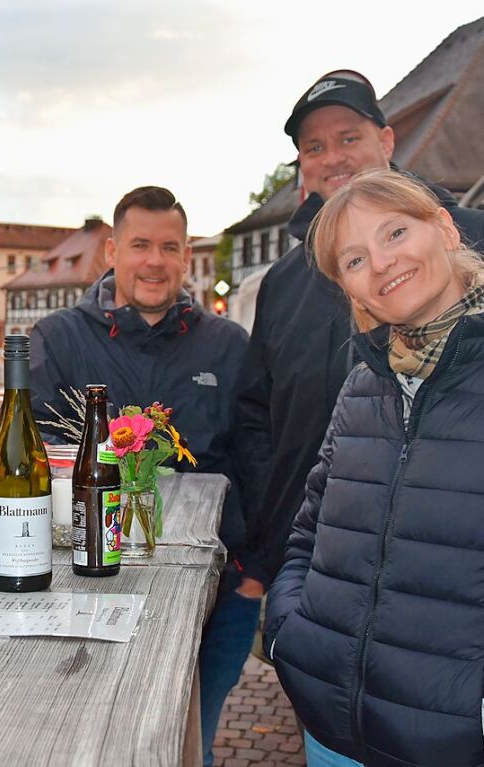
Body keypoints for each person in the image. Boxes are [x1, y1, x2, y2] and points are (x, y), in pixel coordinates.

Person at [265, 169, 484, 767]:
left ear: (443, 227)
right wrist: (290, 633)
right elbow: (311, 528)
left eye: (394, 233)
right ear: (350, 289)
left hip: (455, 742)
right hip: (332, 728)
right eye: (355, 259)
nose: (382, 264)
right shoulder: (366, 382)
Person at [29, 186, 255, 766]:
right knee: (87, 740)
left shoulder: (229, 346)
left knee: (188, 741)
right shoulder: (59, 339)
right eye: (140, 245)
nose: (155, 260)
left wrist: (257, 567)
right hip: (86, 587)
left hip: (216, 590)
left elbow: (262, 456)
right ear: (111, 251)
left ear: (185, 256)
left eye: (170, 247)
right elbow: (33, 454)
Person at [235, 70, 484, 589]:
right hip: (313, 565)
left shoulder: (469, 236)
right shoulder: (281, 282)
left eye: (349, 138)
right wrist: (274, 535)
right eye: (315, 147)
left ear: (386, 140)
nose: (334, 157)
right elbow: (256, 413)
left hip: (446, 571)